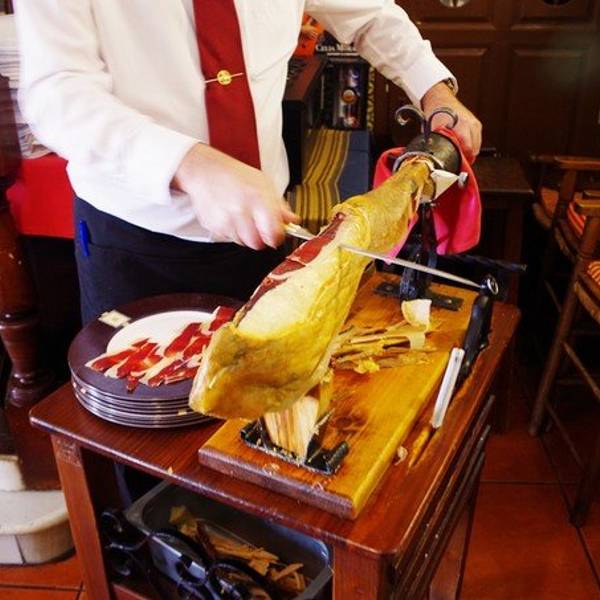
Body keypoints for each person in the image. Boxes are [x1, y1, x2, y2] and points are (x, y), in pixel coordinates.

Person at [15, 1, 482, 324]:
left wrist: (432, 90)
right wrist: (189, 164)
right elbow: (57, 92)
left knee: (257, 408)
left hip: (262, 226)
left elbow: (369, 12)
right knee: (146, 416)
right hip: (136, 241)